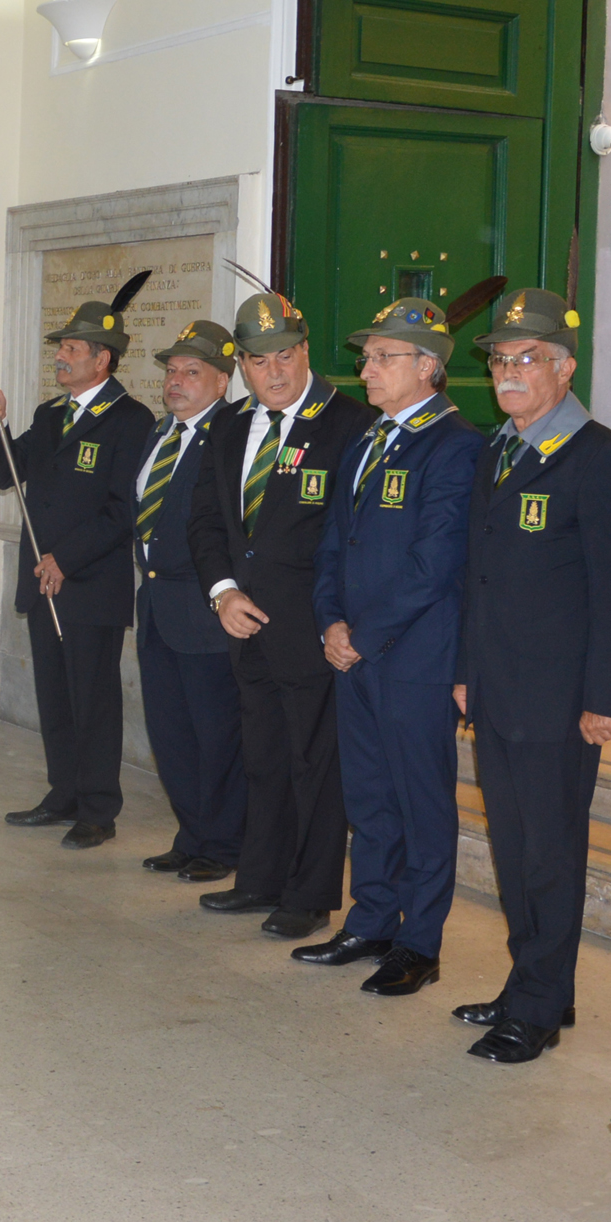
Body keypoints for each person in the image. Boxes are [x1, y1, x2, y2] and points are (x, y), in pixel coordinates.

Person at [447, 288, 611, 1062]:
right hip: (497, 688)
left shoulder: (601, 457)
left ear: (564, 370)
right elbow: (477, 578)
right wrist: (466, 672)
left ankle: (537, 1007)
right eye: (500, 358)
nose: (507, 371)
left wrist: (604, 698)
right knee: (512, 846)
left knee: (550, 853)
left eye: (526, 358)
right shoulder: (497, 450)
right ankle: (534, 985)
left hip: (561, 700)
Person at [297, 300, 481, 994]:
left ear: (427, 367)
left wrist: (364, 636)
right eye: (366, 357)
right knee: (369, 798)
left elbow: (435, 564)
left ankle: (419, 943)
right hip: (353, 652)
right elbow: (333, 543)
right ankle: (371, 919)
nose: (366, 369)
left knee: (421, 804)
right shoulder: (368, 439)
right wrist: (330, 622)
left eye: (382, 358)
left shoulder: (455, 446)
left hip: (414, 659)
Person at [186, 292, 374, 938]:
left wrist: (337, 618)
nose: (275, 371)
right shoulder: (229, 426)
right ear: (241, 365)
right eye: (259, 360)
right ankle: (260, 877)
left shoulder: (349, 423)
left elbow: (351, 537)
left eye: (285, 356)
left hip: (313, 629)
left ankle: (310, 894)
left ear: (305, 352)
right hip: (244, 624)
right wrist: (223, 592)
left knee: (315, 765)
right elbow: (206, 522)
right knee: (263, 756)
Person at [0, 278, 160, 851]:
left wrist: (67, 558)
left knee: (93, 699)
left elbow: (122, 510)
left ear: (102, 359)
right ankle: (63, 793)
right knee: (55, 697)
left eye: (71, 348)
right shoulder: (51, 413)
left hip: (89, 584)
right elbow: (7, 473)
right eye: (61, 347)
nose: (60, 355)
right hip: (44, 581)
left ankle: (98, 808)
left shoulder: (131, 420)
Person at [133, 320, 243, 883]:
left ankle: (224, 845)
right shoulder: (161, 433)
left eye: (191, 372)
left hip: (204, 610)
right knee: (171, 734)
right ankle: (192, 835)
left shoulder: (232, 435)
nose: (175, 381)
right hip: (156, 606)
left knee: (215, 736)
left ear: (222, 381)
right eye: (171, 371)